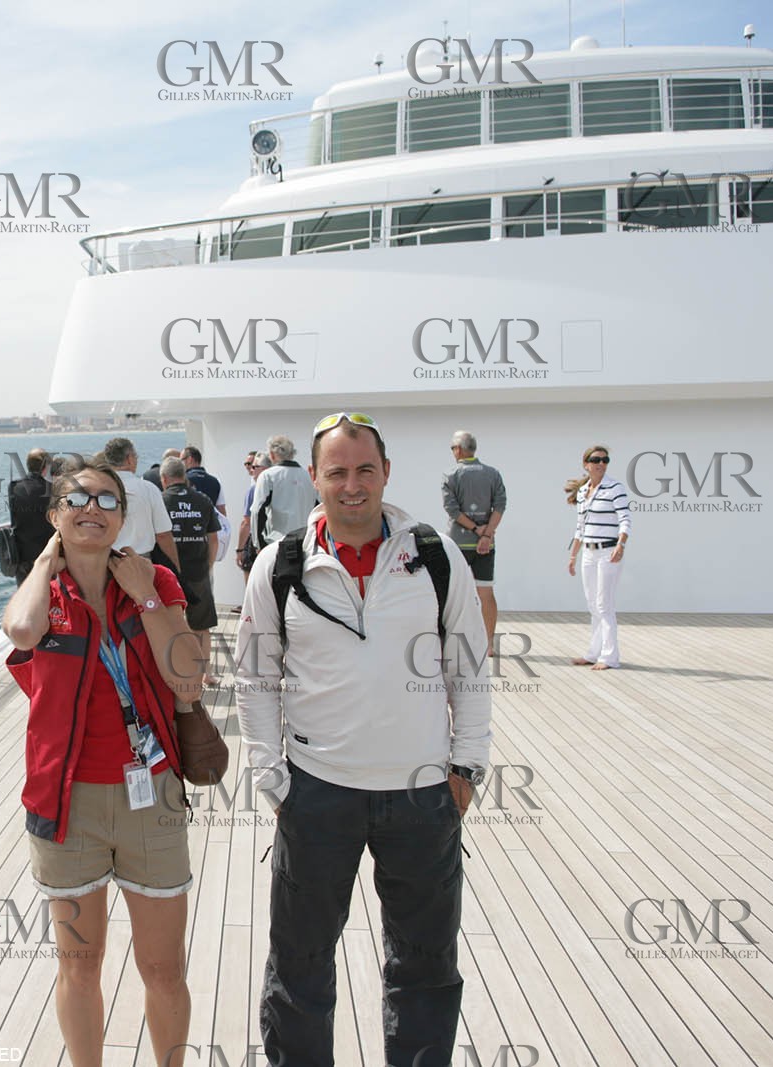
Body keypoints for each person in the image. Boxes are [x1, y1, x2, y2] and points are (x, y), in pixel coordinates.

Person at [235, 412, 490, 1067]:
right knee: (301, 965)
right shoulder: (279, 564)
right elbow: (255, 679)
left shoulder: (434, 555)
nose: (353, 484)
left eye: (365, 470)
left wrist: (467, 765)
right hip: (317, 792)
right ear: (314, 478)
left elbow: (469, 664)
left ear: (385, 473)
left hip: (423, 794)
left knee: (426, 966)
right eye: (338, 471)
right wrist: (273, 778)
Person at [3, 458, 205, 1067]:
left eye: (107, 501)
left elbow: (190, 681)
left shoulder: (156, 584)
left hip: (153, 797)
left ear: (125, 515)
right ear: (54, 513)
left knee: (163, 968)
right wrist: (44, 561)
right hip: (66, 805)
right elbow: (19, 631)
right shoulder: (44, 592)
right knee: (79, 966)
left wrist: (144, 594)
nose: (93, 509)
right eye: (77, 499)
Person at [565, 445, 632, 670]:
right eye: (596, 459)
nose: (601, 463)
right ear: (586, 464)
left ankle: (610, 657)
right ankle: (593, 653)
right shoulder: (583, 492)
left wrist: (621, 544)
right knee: (593, 605)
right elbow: (580, 528)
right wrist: (573, 555)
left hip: (608, 552)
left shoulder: (615, 488)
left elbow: (625, 519)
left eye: (605, 460)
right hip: (588, 553)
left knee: (605, 605)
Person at [441, 431, 508, 654]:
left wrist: (475, 529)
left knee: (452, 594)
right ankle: (489, 646)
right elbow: (500, 505)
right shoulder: (493, 474)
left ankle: (450, 644)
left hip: (457, 544)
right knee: (486, 592)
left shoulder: (450, 475)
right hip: (486, 545)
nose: (452, 452)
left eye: (452, 448)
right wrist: (487, 534)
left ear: (459, 450)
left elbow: (451, 509)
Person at [160, 457, 223, 686]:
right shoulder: (203, 500)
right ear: (184, 476)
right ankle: (206, 673)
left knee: (168, 625)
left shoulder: (160, 501)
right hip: (198, 571)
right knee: (202, 625)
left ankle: (174, 671)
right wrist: (209, 565)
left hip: (168, 575)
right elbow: (213, 539)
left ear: (164, 479)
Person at [103, 437, 179, 564]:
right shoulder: (149, 489)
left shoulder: (99, 488)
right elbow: (163, 535)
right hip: (141, 562)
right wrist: (177, 565)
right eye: (136, 456)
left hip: (105, 563)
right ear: (129, 459)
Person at [247, 435, 318, 552]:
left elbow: (257, 511)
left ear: (272, 454)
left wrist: (258, 545)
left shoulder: (268, 476)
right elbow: (319, 507)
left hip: (278, 543)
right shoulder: (308, 476)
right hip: (307, 542)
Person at [8, 448, 54, 584]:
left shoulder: (14, 487)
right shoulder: (51, 488)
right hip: (46, 552)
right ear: (45, 468)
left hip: (22, 554)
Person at [235, 452, 271, 574]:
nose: (250, 469)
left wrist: (239, 550)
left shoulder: (254, 490)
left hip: (257, 543)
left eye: (254, 466)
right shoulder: (279, 485)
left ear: (265, 468)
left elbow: (247, 523)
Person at [181, 446, 225, 515]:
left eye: (181, 460)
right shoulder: (215, 481)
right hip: (210, 522)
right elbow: (221, 509)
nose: (180, 463)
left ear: (190, 459)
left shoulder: (183, 480)